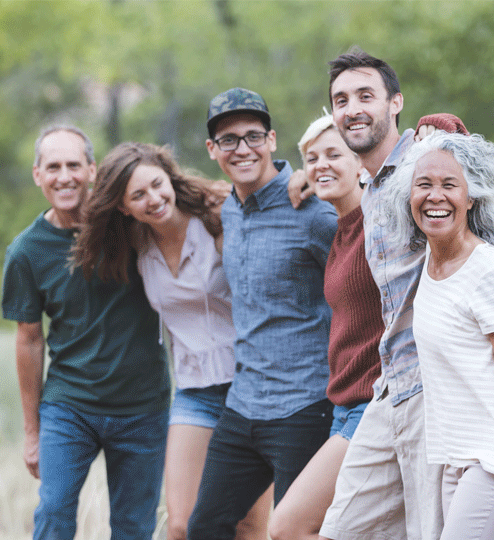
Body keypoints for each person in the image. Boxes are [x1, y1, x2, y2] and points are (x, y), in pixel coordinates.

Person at [288, 48, 494, 540]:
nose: (353, 108)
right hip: (388, 390)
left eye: (366, 95)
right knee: (338, 530)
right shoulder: (368, 188)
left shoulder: (430, 161)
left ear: (395, 103)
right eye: (341, 100)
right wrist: (301, 177)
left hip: (438, 390)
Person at [72, 142, 272, 540]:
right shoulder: (135, 242)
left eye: (156, 185)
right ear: (124, 207)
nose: (153, 199)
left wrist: (299, 181)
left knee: (249, 525)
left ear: (170, 178)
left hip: (251, 388)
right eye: (138, 196)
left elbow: (270, 204)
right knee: (181, 524)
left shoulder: (217, 216)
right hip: (194, 391)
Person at [382, 131, 494, 540]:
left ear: (471, 198)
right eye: (423, 185)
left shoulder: (490, 272)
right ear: (408, 198)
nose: (435, 196)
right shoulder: (430, 260)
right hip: (454, 459)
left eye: (449, 185)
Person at [1, 125, 171, 540]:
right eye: (53, 166)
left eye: (74, 165)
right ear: (38, 174)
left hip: (142, 407)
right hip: (69, 406)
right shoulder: (26, 253)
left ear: (92, 170)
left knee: (134, 527)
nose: (65, 177)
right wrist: (31, 432)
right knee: (54, 512)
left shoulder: (129, 224)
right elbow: (29, 339)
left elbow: (180, 206)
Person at [186, 88, 339, 540]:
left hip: (304, 404)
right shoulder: (228, 209)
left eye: (253, 136)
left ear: (272, 140)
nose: (243, 148)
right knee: (205, 527)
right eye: (229, 140)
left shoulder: (313, 210)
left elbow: (366, 267)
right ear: (213, 150)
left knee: (293, 531)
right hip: (243, 404)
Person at [268, 113, 383, 540]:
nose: (321, 165)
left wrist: (435, 123)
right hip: (342, 404)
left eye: (335, 154)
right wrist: (309, 174)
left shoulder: (382, 221)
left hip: (374, 405)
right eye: (312, 158)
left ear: (361, 163)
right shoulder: (336, 228)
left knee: (288, 527)